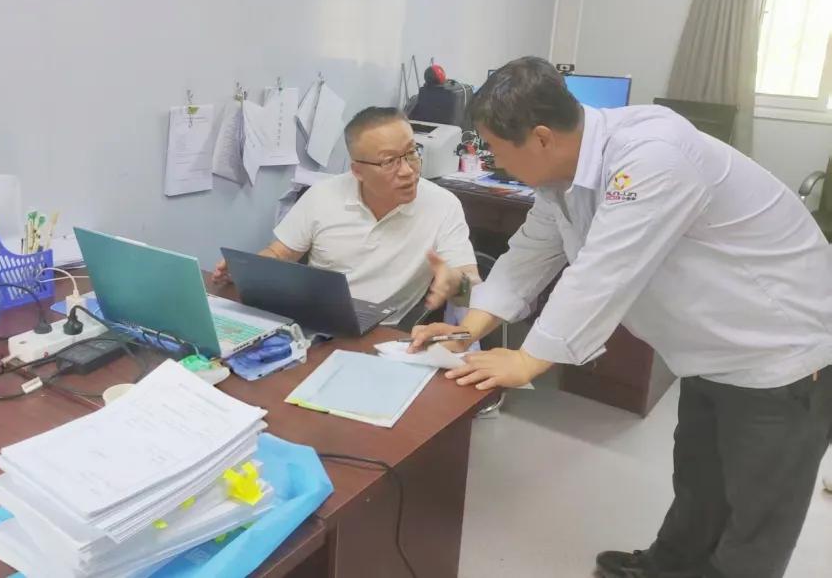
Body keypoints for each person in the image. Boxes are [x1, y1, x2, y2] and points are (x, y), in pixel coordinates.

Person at [411, 57, 832, 578]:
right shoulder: (561, 176)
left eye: (495, 147)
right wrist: (467, 330)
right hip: (710, 350)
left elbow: (604, 270)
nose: (491, 158)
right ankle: (665, 569)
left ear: (541, 138)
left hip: (781, 352)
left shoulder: (654, 155)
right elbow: (531, 253)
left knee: (756, 520)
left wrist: (528, 359)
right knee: (699, 483)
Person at [214, 106, 480, 327]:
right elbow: (280, 253)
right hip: (315, 321)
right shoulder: (323, 196)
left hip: (384, 333)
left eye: (412, 153)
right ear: (358, 171)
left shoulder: (443, 205)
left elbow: (470, 281)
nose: (408, 171)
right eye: (389, 161)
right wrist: (245, 271)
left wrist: (457, 283)